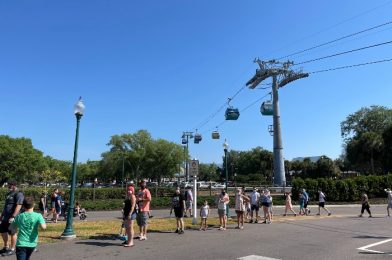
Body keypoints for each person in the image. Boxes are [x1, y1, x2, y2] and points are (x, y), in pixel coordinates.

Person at [0, 180, 24, 257]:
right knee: (2, 230)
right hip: (5, 217)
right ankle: (6, 247)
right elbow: (6, 206)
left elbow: (19, 205)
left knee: (12, 232)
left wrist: (13, 216)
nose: (8, 186)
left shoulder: (19, 194)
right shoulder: (9, 194)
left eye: (9, 185)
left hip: (13, 217)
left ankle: (12, 249)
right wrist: (1, 215)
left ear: (14, 185)